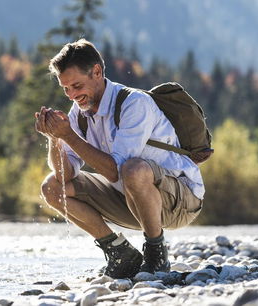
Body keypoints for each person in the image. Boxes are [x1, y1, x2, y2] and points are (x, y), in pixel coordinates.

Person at [35, 39, 204, 279]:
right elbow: (64, 176)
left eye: (77, 85)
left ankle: (156, 253)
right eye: (66, 89)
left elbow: (116, 171)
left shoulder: (135, 103)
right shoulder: (79, 114)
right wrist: (55, 138)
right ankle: (119, 253)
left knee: (132, 169)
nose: (72, 95)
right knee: (51, 186)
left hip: (181, 201)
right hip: (130, 199)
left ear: (97, 72)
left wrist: (69, 136)